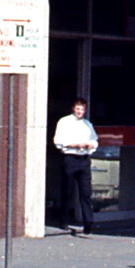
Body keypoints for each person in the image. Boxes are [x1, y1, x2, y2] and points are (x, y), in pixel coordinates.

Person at [53, 97, 99, 236]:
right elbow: (59, 141)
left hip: (84, 159)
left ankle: (88, 223)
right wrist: (75, 145)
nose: (80, 111)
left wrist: (90, 145)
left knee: (85, 192)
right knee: (68, 191)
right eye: (78, 109)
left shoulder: (87, 124)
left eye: (82, 109)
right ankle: (64, 220)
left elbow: (95, 140)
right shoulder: (64, 122)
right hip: (70, 158)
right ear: (73, 109)